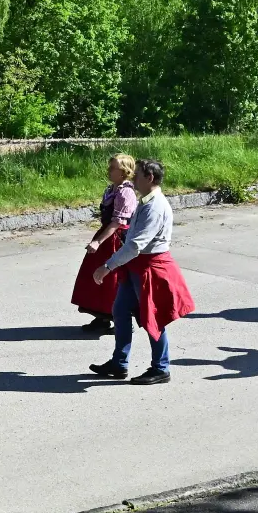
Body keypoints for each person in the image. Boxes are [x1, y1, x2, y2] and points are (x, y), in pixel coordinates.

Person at [89, 159, 196, 385]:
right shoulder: (146, 200)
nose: (133, 178)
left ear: (149, 178)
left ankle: (161, 368)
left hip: (149, 269)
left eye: (137, 175)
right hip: (136, 268)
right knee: (120, 310)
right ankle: (119, 363)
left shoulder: (155, 206)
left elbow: (136, 246)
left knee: (152, 319)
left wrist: (107, 266)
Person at [72, 154, 138, 333]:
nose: (109, 170)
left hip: (117, 239)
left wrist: (97, 242)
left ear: (124, 172)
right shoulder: (113, 189)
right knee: (96, 277)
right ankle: (102, 318)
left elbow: (117, 222)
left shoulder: (126, 193)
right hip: (107, 235)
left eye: (113, 167)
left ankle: (122, 321)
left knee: (114, 280)